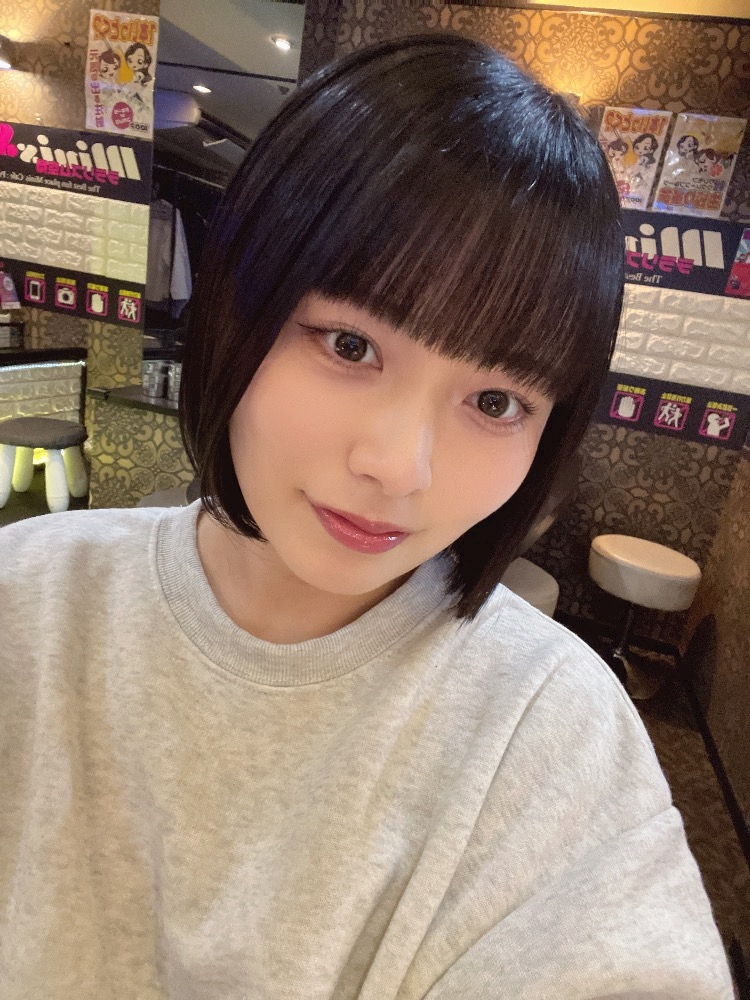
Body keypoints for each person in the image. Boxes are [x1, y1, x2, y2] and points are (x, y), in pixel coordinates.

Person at [0, 34, 733, 999]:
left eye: (497, 401)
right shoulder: (29, 602)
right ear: (237, 304)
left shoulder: (550, 730)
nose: (399, 467)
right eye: (350, 344)